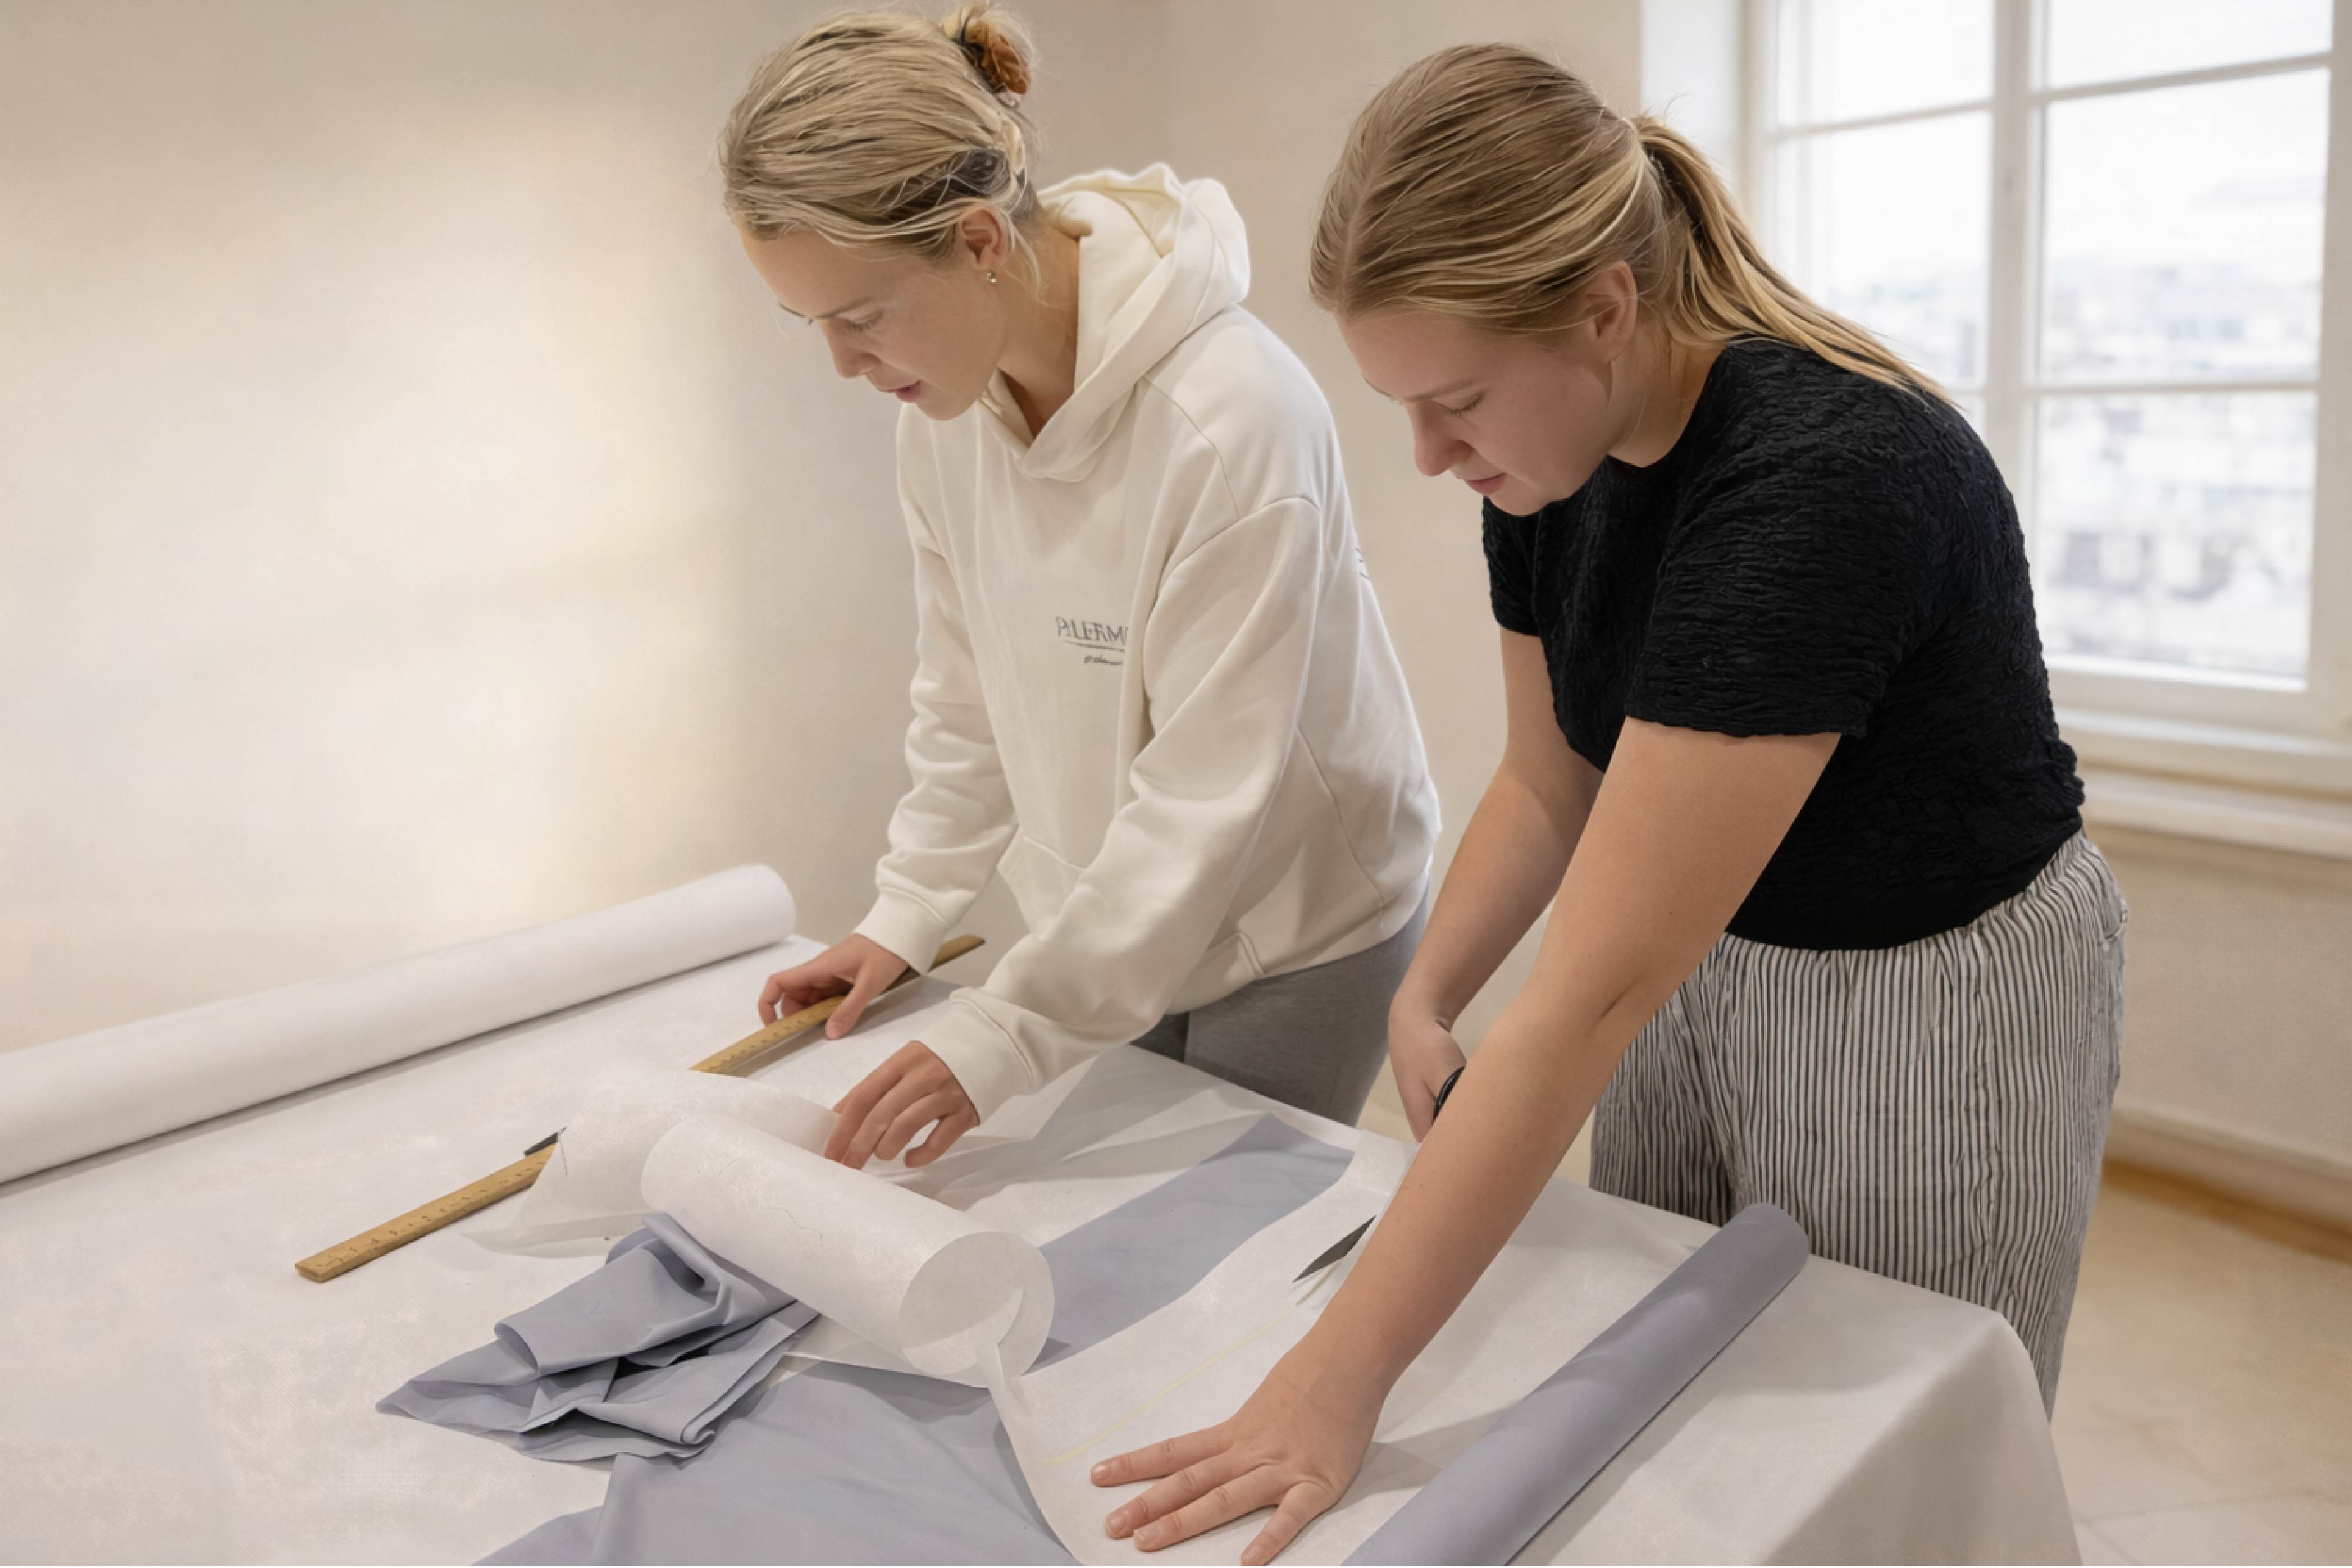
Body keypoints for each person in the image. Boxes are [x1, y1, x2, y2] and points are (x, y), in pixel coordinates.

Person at [1091, 44, 2125, 1563]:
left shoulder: (1823, 480)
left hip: (1936, 980)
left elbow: (1584, 1001)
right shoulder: (1546, 465)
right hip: (1710, 956)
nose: (1432, 457)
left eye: (1454, 403)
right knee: (1664, 1368)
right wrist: (1428, 983)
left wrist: (1330, 1384)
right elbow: (1550, 775)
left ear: (1606, 307)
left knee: (1887, 1422)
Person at [724, 5, 1437, 1172]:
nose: (845, 365)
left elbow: (1208, 799)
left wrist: (1008, 1030)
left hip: (1296, 925)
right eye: (813, 322)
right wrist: (904, 915)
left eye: (859, 316)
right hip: (1111, 919)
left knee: (1210, 1267)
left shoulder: (1232, 420)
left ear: (977, 243)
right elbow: (967, 698)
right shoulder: (943, 414)